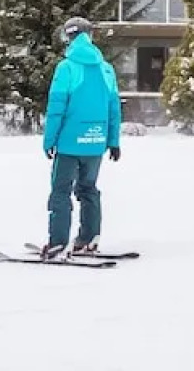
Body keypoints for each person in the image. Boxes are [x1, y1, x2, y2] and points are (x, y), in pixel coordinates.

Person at [40, 17, 122, 260]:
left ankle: (58, 244)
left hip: (69, 143)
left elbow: (57, 108)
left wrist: (49, 140)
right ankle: (88, 239)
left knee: (61, 192)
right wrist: (113, 141)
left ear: (69, 36)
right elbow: (113, 108)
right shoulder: (106, 69)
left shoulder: (66, 68)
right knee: (88, 190)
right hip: (95, 142)